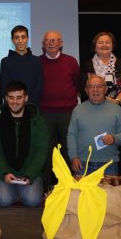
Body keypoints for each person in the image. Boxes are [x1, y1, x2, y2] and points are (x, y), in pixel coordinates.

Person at [0, 81, 49, 207]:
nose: (15, 102)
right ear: (6, 98)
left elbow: (41, 151)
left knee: (33, 201)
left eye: (19, 97)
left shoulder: (38, 121)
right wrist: (4, 172)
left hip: (30, 173)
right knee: (3, 200)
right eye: (11, 97)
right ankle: (16, 192)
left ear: (26, 98)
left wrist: (30, 174)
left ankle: (20, 192)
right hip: (5, 172)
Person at [68, 75, 121, 176]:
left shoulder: (116, 109)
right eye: (91, 87)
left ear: (105, 89)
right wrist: (73, 157)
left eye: (99, 86)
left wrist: (114, 138)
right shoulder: (78, 110)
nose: (95, 90)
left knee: (109, 193)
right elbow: (71, 135)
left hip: (109, 165)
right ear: (86, 90)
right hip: (82, 164)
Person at [39, 30, 80, 187]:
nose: (51, 43)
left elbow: (77, 84)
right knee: (48, 151)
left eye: (55, 40)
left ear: (61, 43)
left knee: (68, 149)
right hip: (45, 113)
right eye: (48, 40)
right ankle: (48, 186)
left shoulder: (71, 61)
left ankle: (68, 185)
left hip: (67, 112)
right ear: (43, 44)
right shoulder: (38, 62)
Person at [81, 31, 121, 121]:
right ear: (95, 47)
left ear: (112, 46)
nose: (104, 45)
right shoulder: (87, 66)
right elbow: (83, 88)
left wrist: (116, 101)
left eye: (108, 42)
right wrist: (102, 100)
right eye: (100, 42)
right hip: (94, 109)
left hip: (120, 108)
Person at [0, 25, 43, 106]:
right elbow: (4, 87)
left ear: (27, 38)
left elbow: (39, 85)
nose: (20, 40)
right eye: (17, 37)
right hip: (13, 106)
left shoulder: (37, 60)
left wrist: (29, 103)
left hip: (32, 106)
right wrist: (14, 103)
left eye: (23, 37)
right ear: (12, 40)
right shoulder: (5, 62)